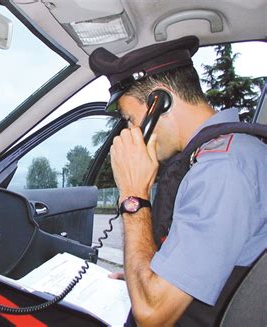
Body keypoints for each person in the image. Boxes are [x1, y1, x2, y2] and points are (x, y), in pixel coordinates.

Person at [89, 36, 267, 326]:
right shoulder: (217, 157)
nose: (131, 130)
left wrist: (133, 193)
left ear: (160, 102)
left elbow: (152, 315)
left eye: (130, 119)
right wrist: (147, 271)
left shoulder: (222, 168)